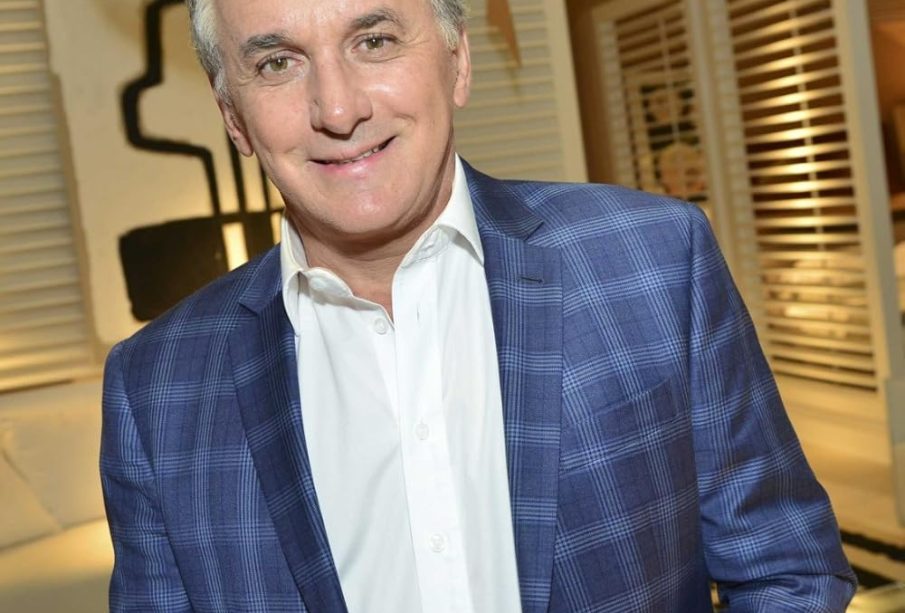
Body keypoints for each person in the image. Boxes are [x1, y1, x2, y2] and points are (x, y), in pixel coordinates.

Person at [99, 0, 857, 610]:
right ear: (234, 117)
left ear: (457, 60)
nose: (337, 107)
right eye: (276, 63)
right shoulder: (154, 387)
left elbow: (787, 569)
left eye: (374, 41)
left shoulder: (651, 259)